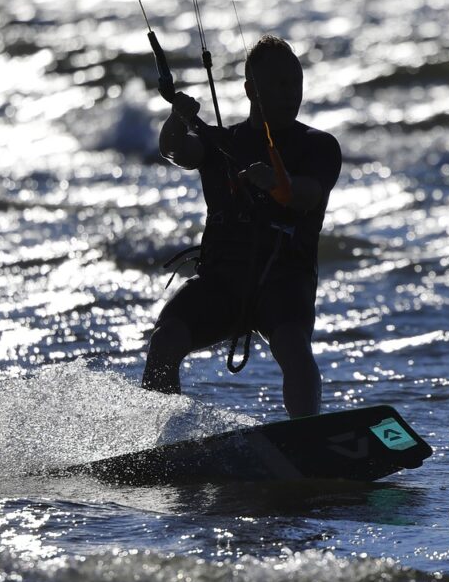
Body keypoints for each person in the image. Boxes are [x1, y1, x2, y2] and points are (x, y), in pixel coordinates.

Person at [141, 34, 342, 418]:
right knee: (165, 339)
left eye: (295, 83)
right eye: (278, 84)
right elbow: (175, 150)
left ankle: (307, 435)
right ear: (251, 90)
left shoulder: (319, 146)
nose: (290, 93)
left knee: (294, 349)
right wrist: (177, 119)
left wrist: (274, 182)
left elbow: (306, 194)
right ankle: (157, 442)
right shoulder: (221, 141)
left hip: (282, 281)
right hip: (222, 281)